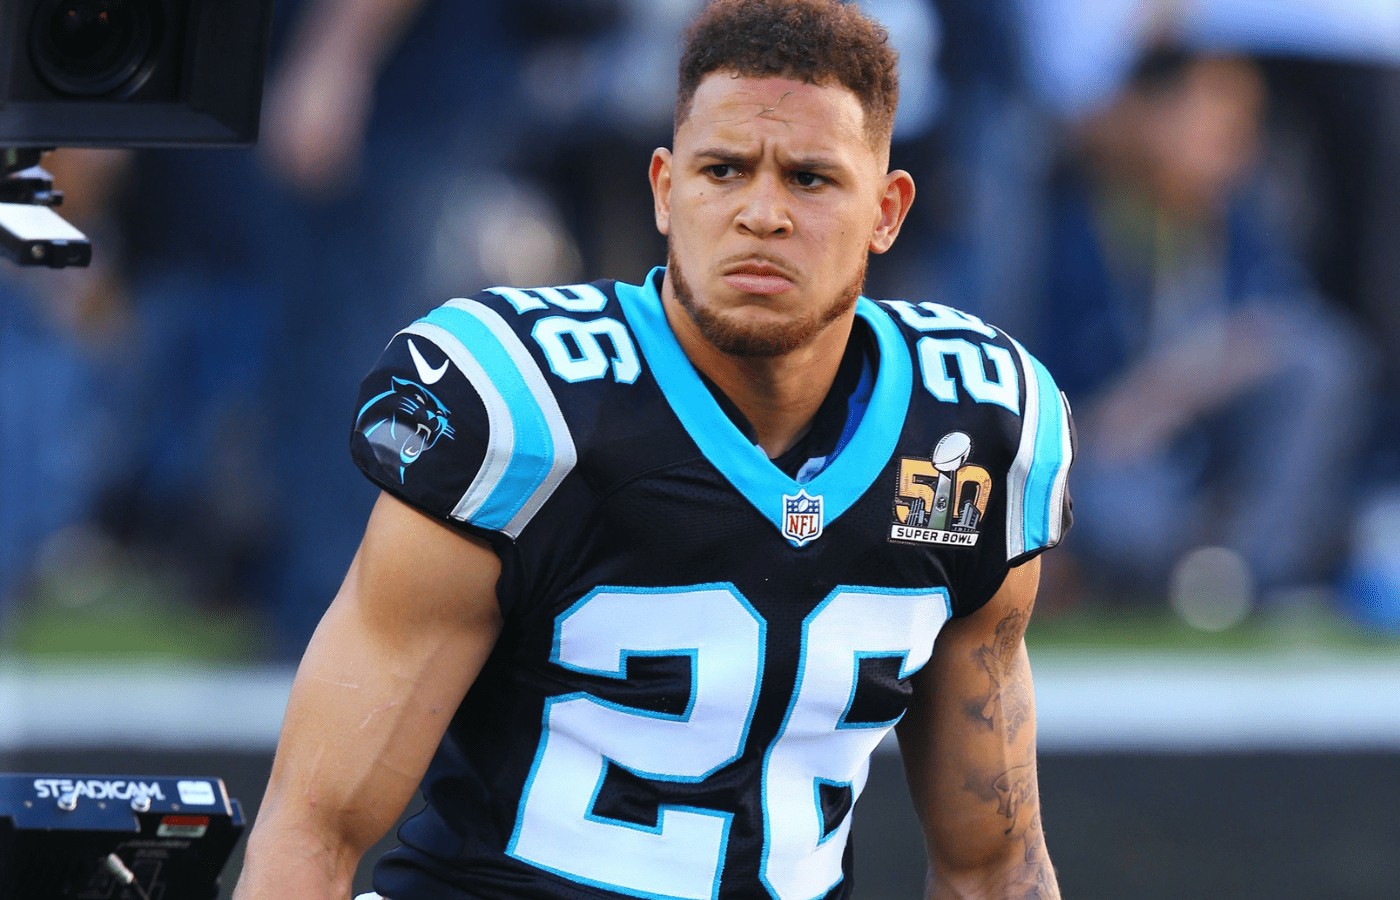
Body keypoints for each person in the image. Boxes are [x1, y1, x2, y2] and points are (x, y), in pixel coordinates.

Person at [233, 1, 1073, 898]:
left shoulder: (977, 428)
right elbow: (315, 827)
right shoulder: (525, 407)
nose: (761, 213)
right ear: (666, 191)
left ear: (887, 208)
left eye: (811, 179)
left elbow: (993, 865)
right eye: (724, 169)